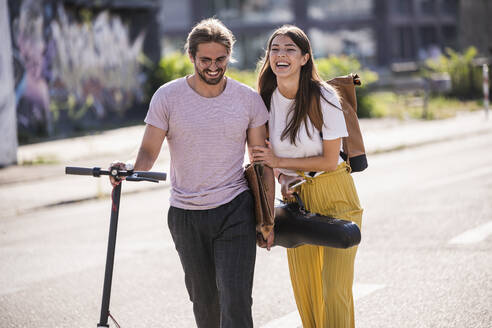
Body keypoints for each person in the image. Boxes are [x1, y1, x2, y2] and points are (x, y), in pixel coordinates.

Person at [110, 18, 272, 328]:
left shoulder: (247, 100)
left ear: (229, 56)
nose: (213, 66)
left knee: (236, 301)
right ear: (191, 57)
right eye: (206, 60)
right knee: (205, 303)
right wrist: (129, 169)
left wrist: (267, 219)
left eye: (220, 59)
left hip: (234, 209)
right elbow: (147, 153)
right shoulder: (168, 97)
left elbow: (260, 161)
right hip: (185, 215)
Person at [252, 25, 363, 328]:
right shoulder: (264, 98)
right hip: (296, 199)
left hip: (335, 191)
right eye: (275, 49)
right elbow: (264, 160)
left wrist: (280, 161)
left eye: (290, 49)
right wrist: (279, 181)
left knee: (334, 289)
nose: (281, 55)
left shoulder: (324, 95)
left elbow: (329, 160)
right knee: (308, 293)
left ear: (304, 58)